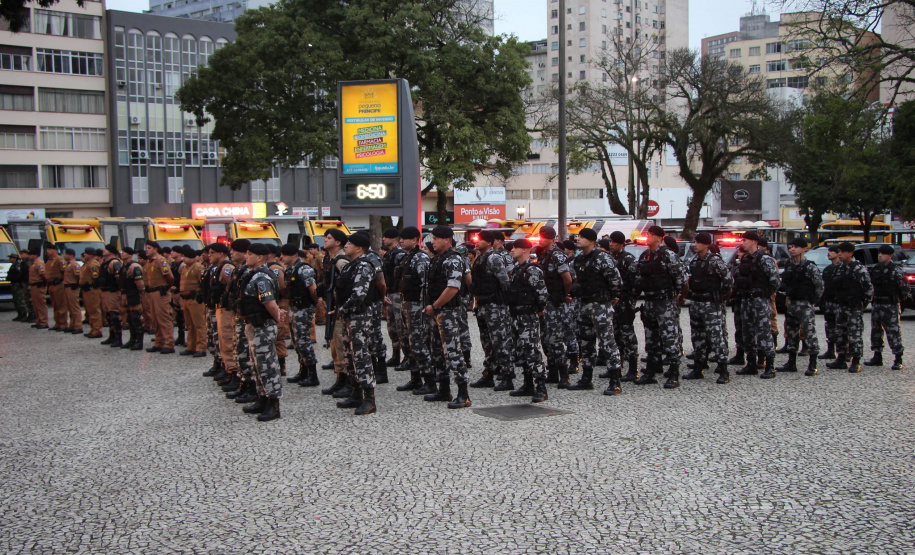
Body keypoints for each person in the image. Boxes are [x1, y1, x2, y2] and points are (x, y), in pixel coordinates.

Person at [569, 227, 624, 394]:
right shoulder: (579, 259)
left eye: (582, 237)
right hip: (584, 305)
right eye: (578, 237)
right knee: (586, 343)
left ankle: (615, 380)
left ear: (592, 241)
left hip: (600, 305)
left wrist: (612, 296)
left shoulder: (602, 258)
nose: (578, 239)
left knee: (607, 342)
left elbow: (616, 280)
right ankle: (586, 378)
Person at [332, 232, 381, 415]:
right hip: (349, 316)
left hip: (359, 316)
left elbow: (359, 294)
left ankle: (369, 399)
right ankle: (355, 393)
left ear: (359, 248)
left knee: (361, 356)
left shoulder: (364, 266)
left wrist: (342, 309)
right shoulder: (351, 266)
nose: (346, 246)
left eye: (350, 244)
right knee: (349, 355)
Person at [424, 226, 472, 409]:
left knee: (453, 352)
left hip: (449, 312)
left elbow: (452, 288)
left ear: (447, 240)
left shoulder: (453, 260)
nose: (432, 241)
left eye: (435, 238)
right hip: (437, 312)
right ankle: (444, 389)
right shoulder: (438, 259)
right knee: (437, 350)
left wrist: (435, 305)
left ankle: (463, 394)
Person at [634, 226, 689, 388]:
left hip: (665, 302)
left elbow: (681, 279)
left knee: (669, 338)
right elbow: (639, 277)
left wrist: (677, 296)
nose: (647, 237)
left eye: (651, 235)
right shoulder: (645, 256)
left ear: (659, 238)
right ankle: (651, 371)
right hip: (650, 302)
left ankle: (673, 373)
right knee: (651, 339)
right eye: (647, 234)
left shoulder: (668, 256)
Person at [237, 243, 284, 421]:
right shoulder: (253, 274)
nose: (246, 256)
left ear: (259, 258)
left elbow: (269, 303)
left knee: (267, 366)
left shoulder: (262, 277)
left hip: (263, 326)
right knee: (257, 365)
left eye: (250, 254)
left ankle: (273, 404)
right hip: (254, 325)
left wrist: (277, 316)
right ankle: (262, 397)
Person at [686, 233, 734, 384]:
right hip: (696, 303)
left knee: (716, 336)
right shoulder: (693, 261)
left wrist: (720, 296)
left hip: (711, 303)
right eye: (695, 242)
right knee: (697, 337)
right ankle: (698, 367)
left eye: (698, 242)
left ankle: (723, 369)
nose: (695, 245)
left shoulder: (714, 261)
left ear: (706, 245)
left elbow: (728, 280)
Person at [470, 229, 515, 391]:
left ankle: (508, 375)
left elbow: (505, 281)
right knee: (486, 342)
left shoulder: (494, 258)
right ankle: (489, 373)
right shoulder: (479, 258)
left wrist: (504, 302)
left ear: (489, 243)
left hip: (495, 305)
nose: (477, 242)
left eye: (480, 240)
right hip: (482, 305)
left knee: (500, 341)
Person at [506, 238, 550, 402]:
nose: (512, 250)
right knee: (521, 352)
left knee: (532, 351)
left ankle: (541, 387)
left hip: (527, 315)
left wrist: (538, 310)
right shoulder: (518, 269)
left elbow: (541, 294)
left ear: (525, 249)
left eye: (515, 247)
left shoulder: (532, 269)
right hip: (516, 315)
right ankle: (527, 384)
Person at [732, 231, 780, 379]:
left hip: (760, 300)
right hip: (746, 300)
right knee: (747, 333)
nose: (742, 243)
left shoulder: (765, 259)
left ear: (753, 242)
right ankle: (751, 363)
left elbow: (775, 281)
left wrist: (765, 294)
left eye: (745, 240)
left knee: (763, 333)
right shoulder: (745, 258)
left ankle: (769, 365)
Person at [395, 226, 433, 393]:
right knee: (408, 343)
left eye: (405, 238)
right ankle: (415, 378)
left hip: (417, 306)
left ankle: (430, 381)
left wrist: (424, 308)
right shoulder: (407, 257)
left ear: (414, 240)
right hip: (406, 304)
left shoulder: (421, 258)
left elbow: (426, 285)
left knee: (419, 343)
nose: (401, 241)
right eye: (400, 238)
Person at [777, 238, 824, 376]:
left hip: (805, 303)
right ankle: (791, 362)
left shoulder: (810, 267)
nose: (792, 249)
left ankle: (813, 364)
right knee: (791, 334)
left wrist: (812, 301)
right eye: (791, 246)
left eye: (796, 247)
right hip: (792, 303)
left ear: (804, 249)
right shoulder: (790, 265)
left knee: (809, 333)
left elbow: (819, 286)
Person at [536, 226, 574, 388]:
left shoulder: (557, 254)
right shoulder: (543, 254)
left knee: (555, 339)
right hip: (545, 302)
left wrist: (565, 295)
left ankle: (564, 374)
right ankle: (552, 372)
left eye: (545, 237)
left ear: (552, 239)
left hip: (555, 302)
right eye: (540, 237)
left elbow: (568, 279)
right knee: (545, 339)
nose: (541, 240)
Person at [280, 242, 322, 386]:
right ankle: (303, 370)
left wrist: (316, 302)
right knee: (296, 341)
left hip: (303, 308)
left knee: (304, 341)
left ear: (293, 255)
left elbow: (313, 288)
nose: (282, 257)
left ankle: (312, 374)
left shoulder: (303, 268)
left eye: (284, 254)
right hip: (293, 307)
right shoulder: (290, 269)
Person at [318, 229, 352, 396]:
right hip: (332, 306)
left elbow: (350, 284)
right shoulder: (329, 259)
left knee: (340, 344)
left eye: (329, 237)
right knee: (334, 343)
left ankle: (347, 381)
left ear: (338, 242)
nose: (325, 240)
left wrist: (341, 306)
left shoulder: (341, 261)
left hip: (340, 309)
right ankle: (340, 379)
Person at [865, 244, 907, 370]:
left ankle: (898, 358)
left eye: (883, 254)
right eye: (879, 253)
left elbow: (904, 289)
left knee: (893, 332)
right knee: (876, 331)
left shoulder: (896, 270)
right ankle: (877, 356)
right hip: (877, 304)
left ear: (890, 256)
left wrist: (898, 300)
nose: (880, 255)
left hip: (890, 305)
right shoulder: (875, 269)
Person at [607, 231, 639, 382]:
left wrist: (630, 298)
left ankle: (633, 369)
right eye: (610, 241)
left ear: (621, 243)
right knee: (616, 335)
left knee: (628, 335)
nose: (611, 244)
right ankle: (617, 367)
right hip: (615, 303)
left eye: (613, 242)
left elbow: (636, 281)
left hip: (625, 302)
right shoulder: (611, 258)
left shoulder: (628, 259)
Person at [381, 227, 407, 368]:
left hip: (398, 294)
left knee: (401, 325)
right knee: (392, 327)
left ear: (393, 238)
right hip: (390, 292)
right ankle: (395, 355)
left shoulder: (399, 254)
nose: (383, 239)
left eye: (386, 237)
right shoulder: (389, 254)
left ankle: (407, 356)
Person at [144, 241, 176, 354]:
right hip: (152, 292)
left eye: (149, 248)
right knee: (155, 319)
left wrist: (166, 286)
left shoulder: (160, 260)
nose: (147, 250)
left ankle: (169, 343)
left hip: (160, 292)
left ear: (155, 249)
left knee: (163, 318)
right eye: (146, 248)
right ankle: (158, 342)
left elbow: (169, 276)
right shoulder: (149, 261)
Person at [265, 245, 291, 376]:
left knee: (279, 335)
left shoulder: (274, 268)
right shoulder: (267, 268)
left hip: (279, 302)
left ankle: (282, 366)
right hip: (273, 303)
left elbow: (282, 285)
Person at [178, 246, 207, 357]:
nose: (183, 259)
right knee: (189, 324)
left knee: (199, 324)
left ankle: (201, 347)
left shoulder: (198, 268)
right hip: (186, 299)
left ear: (192, 257)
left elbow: (203, 283)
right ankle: (191, 346)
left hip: (195, 299)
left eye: (185, 256)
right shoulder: (185, 268)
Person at [118, 247, 146, 350]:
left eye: (124, 252)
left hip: (134, 293)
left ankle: (139, 341)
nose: (122, 254)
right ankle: (132, 339)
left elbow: (139, 283)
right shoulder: (124, 266)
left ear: (130, 254)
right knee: (130, 318)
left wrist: (141, 292)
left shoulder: (134, 266)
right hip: (126, 294)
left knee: (136, 318)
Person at [818, 245, 842, 360]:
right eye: (829, 251)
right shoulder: (828, 269)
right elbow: (824, 287)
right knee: (829, 327)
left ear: (839, 254)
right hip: (829, 302)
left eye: (833, 251)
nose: (829, 253)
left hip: (839, 302)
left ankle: (844, 352)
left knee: (842, 328)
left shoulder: (842, 268)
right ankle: (830, 350)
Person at [98, 244, 123, 345]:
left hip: (112, 292)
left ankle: (118, 337)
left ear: (111, 252)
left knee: (114, 315)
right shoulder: (105, 263)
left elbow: (118, 278)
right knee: (109, 315)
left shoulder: (115, 263)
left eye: (106, 249)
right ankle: (112, 335)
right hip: (105, 291)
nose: (103, 251)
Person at [79, 248, 103, 338]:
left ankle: (97, 330)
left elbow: (96, 278)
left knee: (95, 310)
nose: (84, 254)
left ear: (91, 254)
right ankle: (93, 328)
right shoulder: (87, 264)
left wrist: (90, 284)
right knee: (90, 310)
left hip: (92, 290)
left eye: (86, 253)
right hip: (87, 290)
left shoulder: (93, 264)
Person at [44, 243, 67, 331]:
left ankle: (63, 323)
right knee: (55, 305)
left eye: (50, 250)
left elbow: (65, 272)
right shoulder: (49, 260)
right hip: (51, 285)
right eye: (47, 250)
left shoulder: (60, 260)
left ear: (55, 250)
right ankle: (57, 323)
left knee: (61, 305)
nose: (48, 251)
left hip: (58, 285)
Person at [59, 248, 82, 333]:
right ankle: (72, 325)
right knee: (70, 307)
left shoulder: (74, 264)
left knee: (75, 307)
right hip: (67, 287)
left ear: (71, 255)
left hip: (72, 288)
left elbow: (78, 276)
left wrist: (76, 285)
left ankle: (78, 326)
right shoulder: (68, 264)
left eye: (66, 254)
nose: (64, 256)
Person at [27, 248, 49, 329]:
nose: (29, 256)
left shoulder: (39, 263)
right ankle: (39, 321)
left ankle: (43, 322)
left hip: (38, 286)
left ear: (35, 255)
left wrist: (43, 283)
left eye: (30, 255)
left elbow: (43, 275)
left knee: (40, 304)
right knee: (36, 305)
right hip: (33, 286)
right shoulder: (33, 263)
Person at [8, 252, 28, 321]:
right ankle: (20, 314)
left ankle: (23, 314)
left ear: (15, 259)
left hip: (18, 284)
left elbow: (19, 275)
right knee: (16, 300)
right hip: (14, 284)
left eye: (11, 258)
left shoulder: (17, 265)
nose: (9, 259)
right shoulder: (13, 265)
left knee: (20, 299)